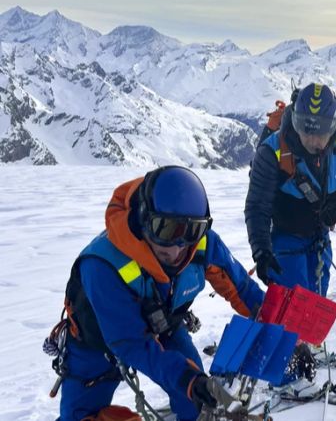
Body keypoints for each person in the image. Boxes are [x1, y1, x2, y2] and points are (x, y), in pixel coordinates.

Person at [57, 166, 265, 421]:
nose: (177, 248)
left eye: (191, 231)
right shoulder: (102, 266)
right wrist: (189, 379)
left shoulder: (201, 244)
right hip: (94, 344)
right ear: (145, 219)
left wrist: (278, 324)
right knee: (80, 417)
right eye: (165, 230)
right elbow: (132, 343)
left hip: (165, 324)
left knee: (198, 404)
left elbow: (244, 290)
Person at [245, 83, 336, 296]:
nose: (313, 139)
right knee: (292, 303)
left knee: (314, 303)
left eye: (321, 132)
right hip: (286, 236)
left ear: (333, 125)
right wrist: (262, 251)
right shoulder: (272, 151)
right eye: (306, 129)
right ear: (295, 120)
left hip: (321, 236)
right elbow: (257, 205)